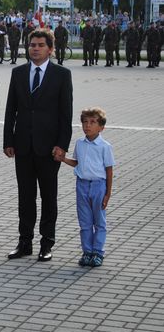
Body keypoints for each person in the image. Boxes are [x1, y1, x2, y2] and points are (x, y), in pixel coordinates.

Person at [3, 29, 73, 262]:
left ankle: (47, 243)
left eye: (40, 45)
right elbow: (11, 109)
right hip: (22, 145)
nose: (35, 48)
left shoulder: (61, 75)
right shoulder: (18, 73)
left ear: (50, 49)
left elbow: (66, 114)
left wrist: (62, 145)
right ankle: (25, 242)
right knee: (25, 197)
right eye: (32, 44)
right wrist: (8, 140)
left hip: (48, 148)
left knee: (48, 196)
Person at [55, 107, 114, 268]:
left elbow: (109, 171)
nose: (88, 126)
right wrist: (63, 159)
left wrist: (108, 193)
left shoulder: (105, 146)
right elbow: (77, 162)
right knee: (85, 222)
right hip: (82, 185)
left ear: (101, 127)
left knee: (99, 221)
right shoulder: (80, 144)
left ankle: (98, 252)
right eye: (85, 122)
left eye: (93, 122)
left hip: (98, 186)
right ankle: (87, 252)